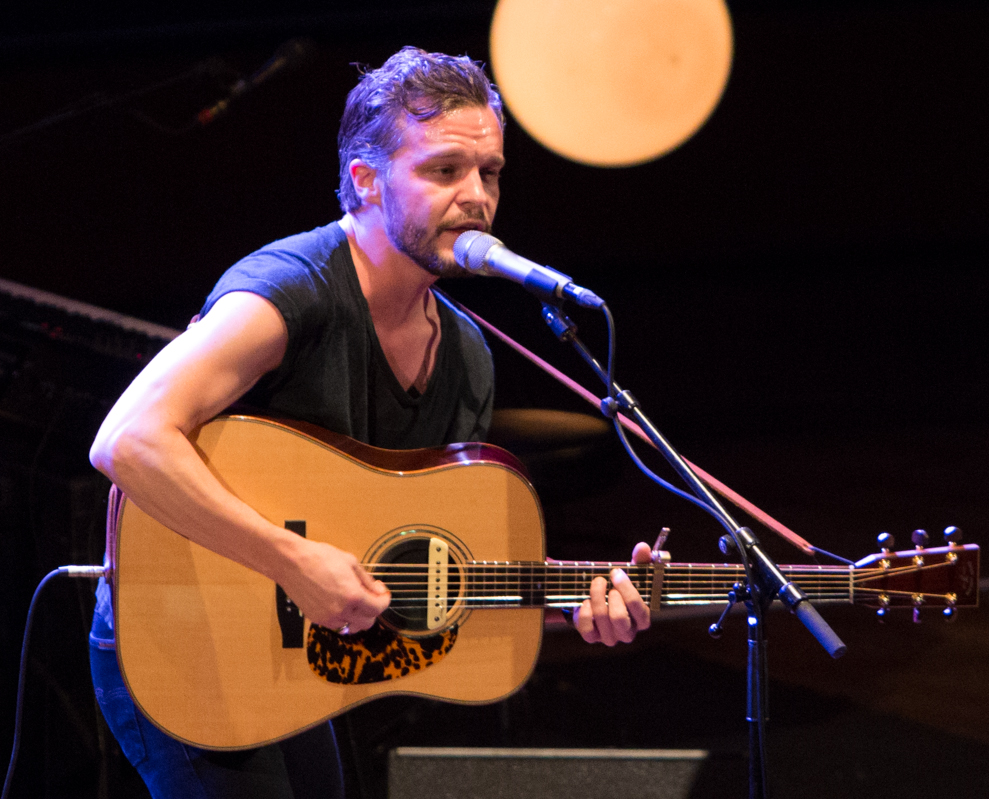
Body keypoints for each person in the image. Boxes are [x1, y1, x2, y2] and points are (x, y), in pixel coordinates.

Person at [87, 46, 652, 798]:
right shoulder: (287, 293)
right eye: (443, 171)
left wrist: (574, 606)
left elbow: (427, 584)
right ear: (365, 182)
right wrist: (293, 562)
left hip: (285, 651)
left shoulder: (467, 355)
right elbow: (126, 438)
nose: (476, 196)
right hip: (182, 637)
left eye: (489, 173)